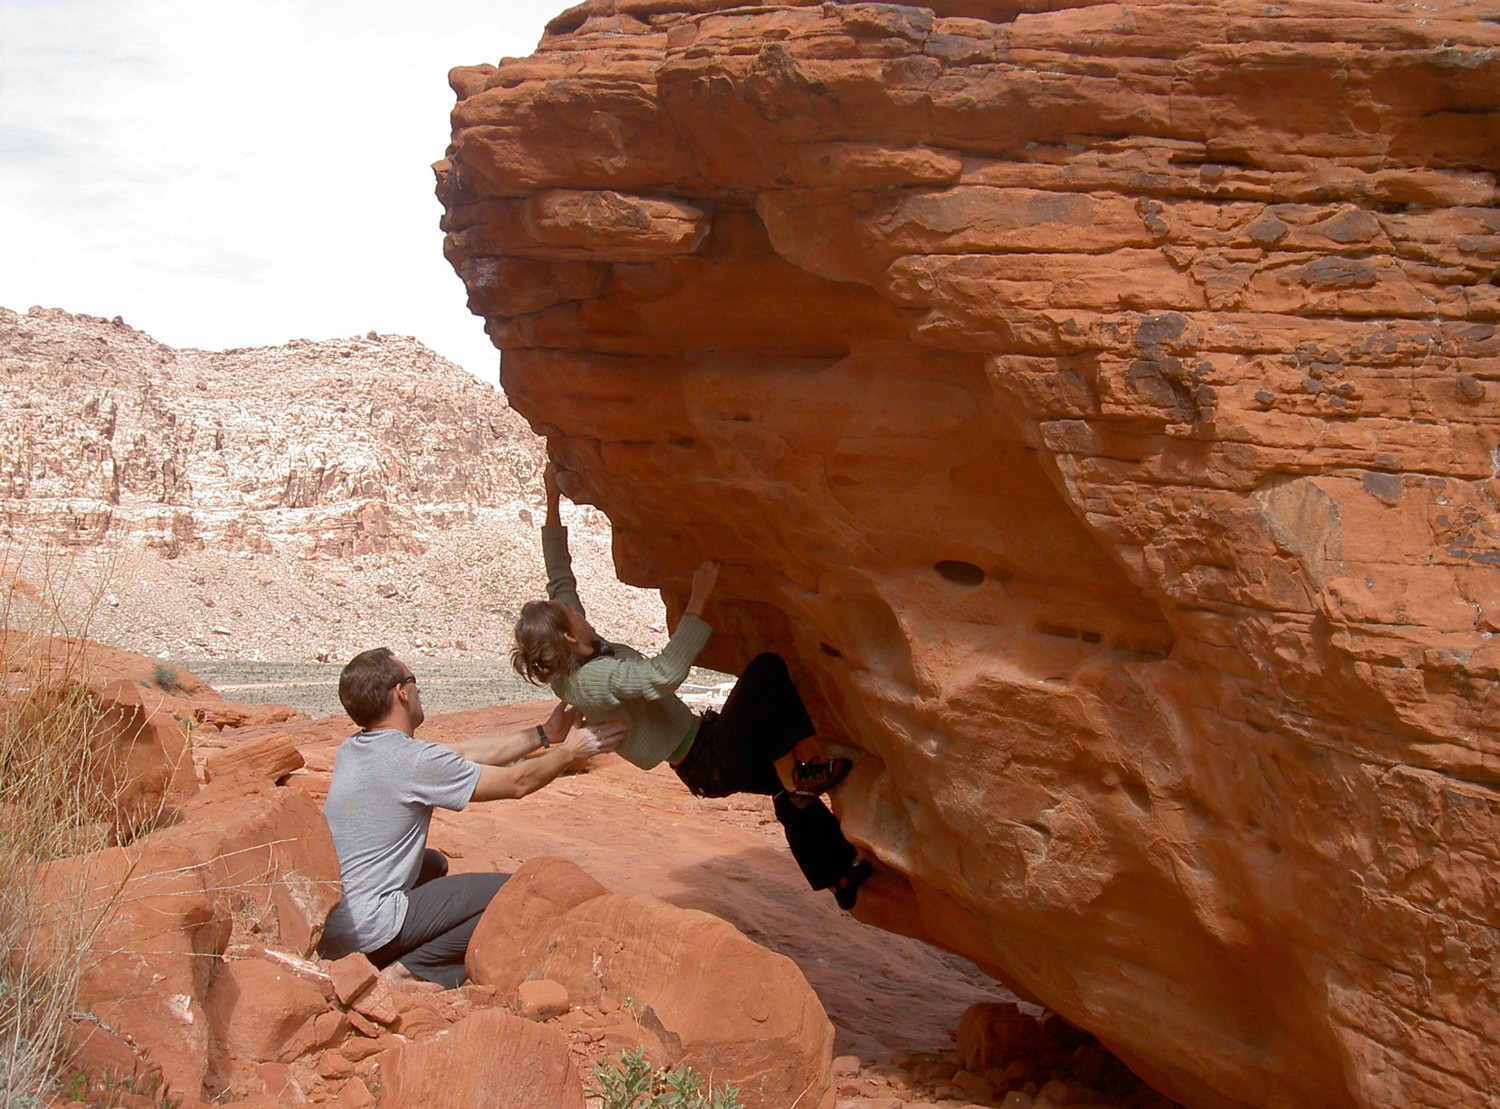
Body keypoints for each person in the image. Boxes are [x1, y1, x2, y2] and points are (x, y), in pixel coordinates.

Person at [511, 463, 872, 910]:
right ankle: (807, 769)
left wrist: (551, 499)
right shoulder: (590, 680)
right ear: (568, 636)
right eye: (572, 614)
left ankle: (840, 879)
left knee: (784, 793)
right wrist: (698, 600)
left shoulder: (571, 653)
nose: (577, 609)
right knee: (765, 672)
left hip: (706, 759)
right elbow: (661, 677)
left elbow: (559, 577)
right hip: (709, 759)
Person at [318, 646, 625, 989]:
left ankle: (395, 953)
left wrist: (544, 734)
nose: (419, 689)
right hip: (371, 928)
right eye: (413, 680)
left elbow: (464, 753)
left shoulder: (355, 749)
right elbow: (517, 782)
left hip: (336, 930)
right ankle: (409, 971)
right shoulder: (413, 761)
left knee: (432, 864)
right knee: (514, 893)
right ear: (401, 693)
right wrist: (572, 750)